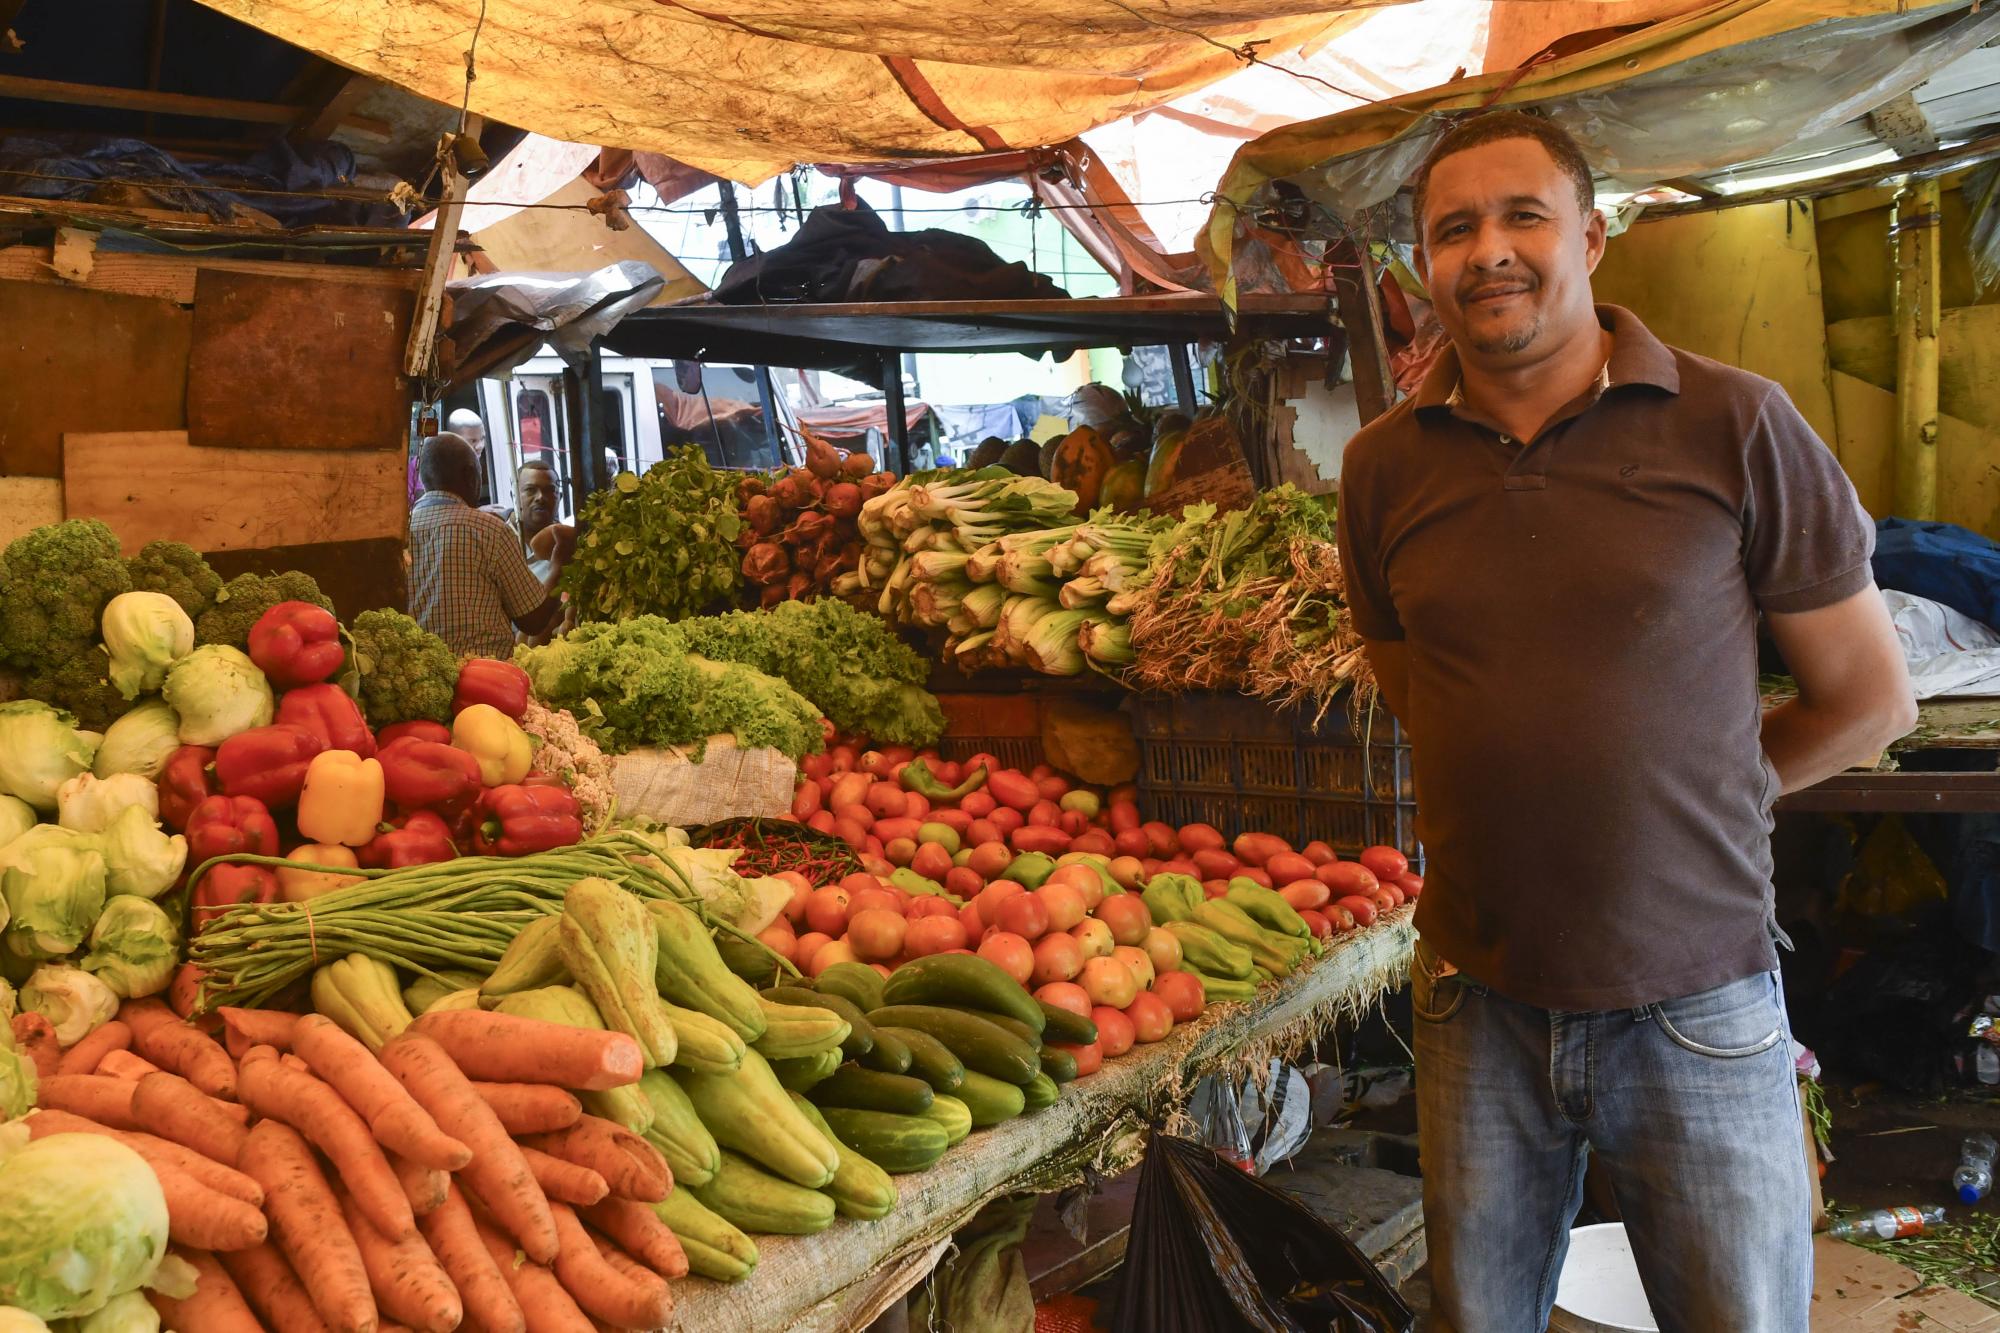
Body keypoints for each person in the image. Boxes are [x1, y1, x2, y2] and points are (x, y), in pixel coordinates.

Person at [1335, 111, 1915, 1332]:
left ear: (1590, 239)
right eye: (1452, 230)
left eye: (1522, 216)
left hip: (1693, 996)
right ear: (1423, 265)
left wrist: (1706, 787)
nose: (1488, 251)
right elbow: (1411, 681)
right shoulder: (1383, 467)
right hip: (1474, 998)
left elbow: (1868, 696)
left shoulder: (1734, 423)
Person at [409, 434, 567, 658]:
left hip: (421, 672)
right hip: (486, 672)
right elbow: (534, 621)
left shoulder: (399, 532)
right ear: (469, 475)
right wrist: (560, 563)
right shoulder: (489, 531)